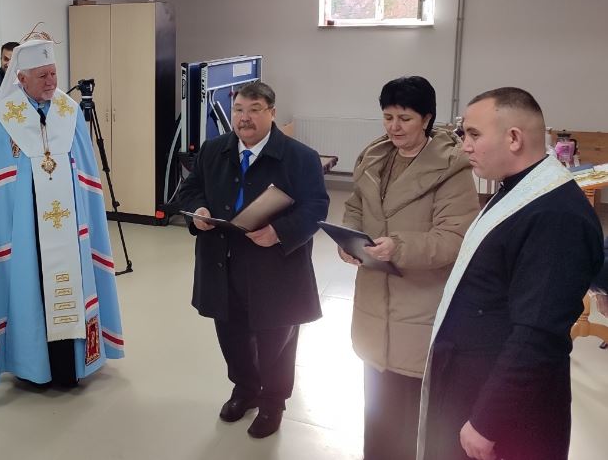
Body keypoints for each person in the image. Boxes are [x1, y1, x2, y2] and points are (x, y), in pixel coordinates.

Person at [417, 87, 604, 460]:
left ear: (514, 138)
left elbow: (539, 333)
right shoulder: (519, 189)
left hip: (504, 411)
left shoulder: (556, 215)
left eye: (474, 135)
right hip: (476, 378)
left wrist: (489, 420)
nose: (465, 146)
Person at [0, 39, 123, 389]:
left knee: (70, 286)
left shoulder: (68, 111)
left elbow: (85, 171)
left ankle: (71, 366)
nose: (51, 81)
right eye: (42, 76)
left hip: (69, 226)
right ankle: (32, 365)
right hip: (25, 230)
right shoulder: (3, 118)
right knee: (30, 288)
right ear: (21, 78)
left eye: (53, 73)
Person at [177, 81, 329, 439]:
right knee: (231, 333)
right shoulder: (214, 150)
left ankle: (274, 401)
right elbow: (190, 189)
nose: (244, 118)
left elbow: (316, 207)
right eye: (238, 110)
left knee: (276, 338)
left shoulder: (300, 157)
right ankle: (244, 389)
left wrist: (279, 231)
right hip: (222, 260)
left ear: (272, 113)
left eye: (254, 110)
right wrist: (198, 211)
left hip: (274, 264)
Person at [339, 76, 480, 460]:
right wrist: (348, 238)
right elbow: (355, 206)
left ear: (427, 119)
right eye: (388, 117)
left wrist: (399, 247)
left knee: (413, 418)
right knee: (377, 410)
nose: (394, 127)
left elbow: (454, 238)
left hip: (418, 303)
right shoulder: (374, 157)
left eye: (405, 118)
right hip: (374, 300)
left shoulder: (451, 168)